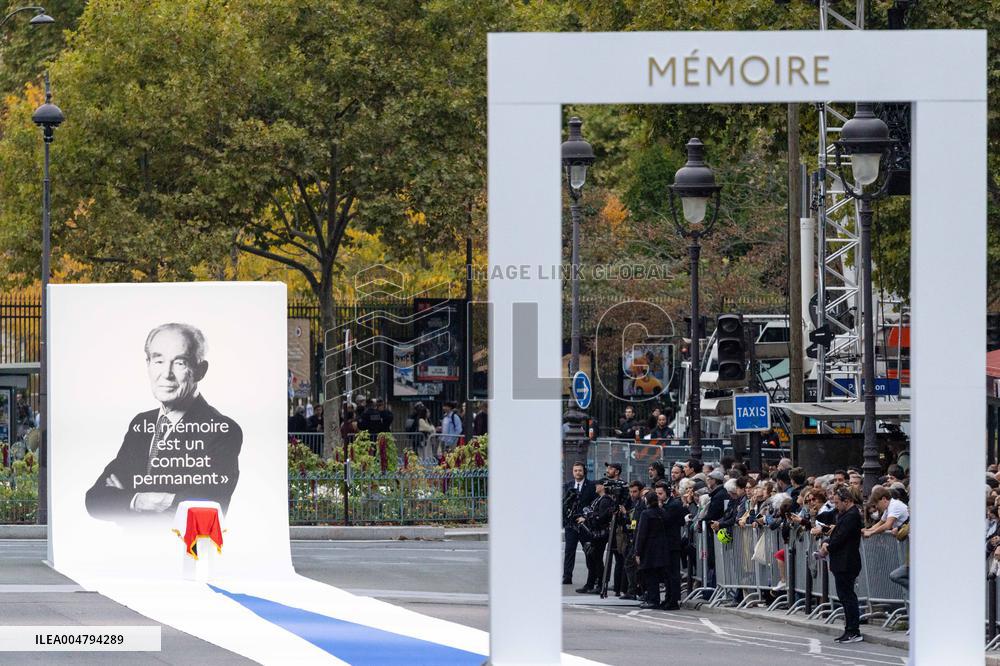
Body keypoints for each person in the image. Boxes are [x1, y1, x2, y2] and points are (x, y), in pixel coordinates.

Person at [85, 323, 243, 522]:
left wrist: (125, 501)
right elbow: (95, 500)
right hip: (134, 549)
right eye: (158, 361)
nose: (166, 374)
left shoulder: (222, 430)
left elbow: (207, 505)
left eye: (180, 362)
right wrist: (141, 500)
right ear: (148, 365)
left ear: (200, 371)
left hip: (185, 549)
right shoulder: (141, 424)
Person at [819, 485, 864, 643]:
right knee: (844, 596)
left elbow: (841, 537)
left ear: (848, 501)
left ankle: (853, 630)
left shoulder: (852, 515)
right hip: (842, 561)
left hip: (847, 561)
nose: (836, 506)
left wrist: (828, 548)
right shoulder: (845, 514)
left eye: (838, 503)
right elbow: (836, 533)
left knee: (847, 596)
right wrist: (827, 543)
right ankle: (849, 629)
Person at [576, 478, 614, 594]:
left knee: (596, 559)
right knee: (591, 559)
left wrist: (588, 516)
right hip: (595, 533)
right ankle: (590, 583)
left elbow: (601, 517)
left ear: (603, 486)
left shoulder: (605, 500)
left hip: (600, 534)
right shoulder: (599, 499)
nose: (596, 487)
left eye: (598, 485)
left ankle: (599, 585)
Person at [563, 462, 596, 585]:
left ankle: (592, 577)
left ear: (584, 471)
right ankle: (567, 576)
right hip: (571, 525)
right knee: (569, 551)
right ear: (573, 472)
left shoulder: (591, 486)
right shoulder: (568, 486)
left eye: (580, 470)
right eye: (575, 470)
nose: (578, 473)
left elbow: (593, 504)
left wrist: (586, 517)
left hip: (585, 525)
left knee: (589, 551)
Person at [634, 488, 668, 609]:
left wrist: (637, 551)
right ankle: (653, 599)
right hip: (661, 547)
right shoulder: (662, 512)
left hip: (648, 548)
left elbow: (641, 533)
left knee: (649, 575)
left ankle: (653, 599)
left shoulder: (646, 513)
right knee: (655, 575)